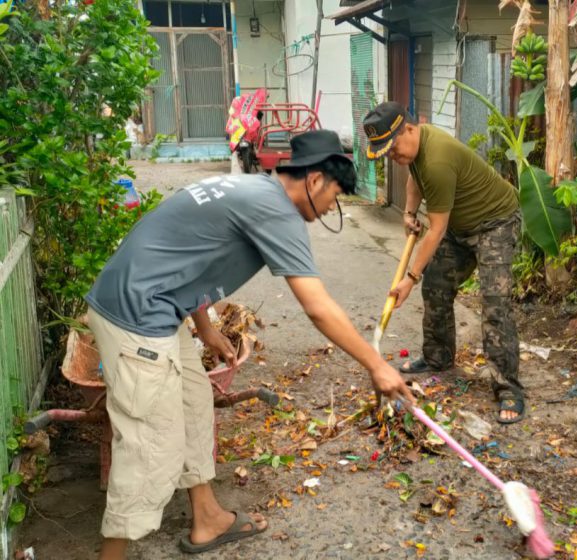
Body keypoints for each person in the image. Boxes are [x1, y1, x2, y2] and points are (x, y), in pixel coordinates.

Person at [85, 130, 414, 559]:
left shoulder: (253, 188)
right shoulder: (277, 212)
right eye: (334, 194)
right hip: (135, 318)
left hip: (154, 307)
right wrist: (377, 364)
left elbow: (188, 254)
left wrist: (203, 326)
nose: (333, 206)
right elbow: (317, 307)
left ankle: (206, 520)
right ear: (314, 180)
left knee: (193, 402)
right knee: (151, 449)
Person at [362, 101, 524, 424]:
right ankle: (438, 356)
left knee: (495, 303)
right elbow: (414, 180)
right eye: (388, 154)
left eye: (393, 149)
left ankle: (509, 388)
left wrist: (409, 276)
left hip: (496, 222)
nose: (394, 157)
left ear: (408, 129)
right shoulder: (416, 150)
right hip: (460, 226)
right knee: (437, 283)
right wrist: (408, 212)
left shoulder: (436, 158)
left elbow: (435, 232)